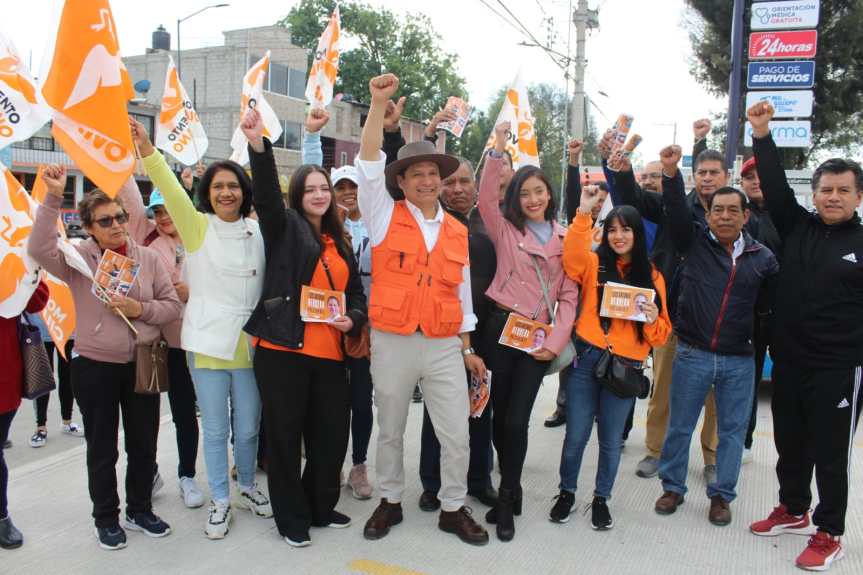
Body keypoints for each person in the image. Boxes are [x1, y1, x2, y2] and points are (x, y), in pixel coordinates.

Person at [357, 73, 489, 546]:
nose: (429, 181)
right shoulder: (381, 212)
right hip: (393, 339)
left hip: (442, 343)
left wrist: (467, 346)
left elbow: (464, 295)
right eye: (418, 174)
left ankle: (453, 508)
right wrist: (377, 105)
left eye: (435, 174)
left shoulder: (456, 230)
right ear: (403, 181)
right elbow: (369, 157)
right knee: (390, 428)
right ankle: (390, 500)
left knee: (456, 432)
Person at [131, 118, 272, 541]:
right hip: (208, 346)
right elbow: (169, 190)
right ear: (207, 194)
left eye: (233, 185)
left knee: (248, 426)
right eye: (217, 187)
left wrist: (258, 143)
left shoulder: (259, 230)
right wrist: (147, 150)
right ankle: (221, 499)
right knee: (215, 428)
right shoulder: (197, 228)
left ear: (244, 191)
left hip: (249, 347)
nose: (226, 192)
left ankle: (246, 485)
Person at [29, 166, 182, 551]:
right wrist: (53, 196)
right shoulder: (79, 260)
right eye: (105, 220)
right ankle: (106, 517)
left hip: (146, 358)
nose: (116, 225)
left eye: (120, 217)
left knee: (144, 442)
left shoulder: (148, 258)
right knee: (102, 447)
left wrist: (138, 308)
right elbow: (39, 249)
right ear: (89, 227)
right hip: (95, 364)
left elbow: (171, 306)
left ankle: (140, 508)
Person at [240, 107, 368, 548]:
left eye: (324, 188)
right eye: (310, 189)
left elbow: (356, 296)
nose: (319, 194)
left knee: (330, 436)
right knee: (285, 437)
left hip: (330, 356)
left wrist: (353, 318)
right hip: (283, 352)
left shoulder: (339, 240)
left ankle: (320, 503)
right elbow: (267, 201)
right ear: (298, 196)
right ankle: (290, 517)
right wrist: (260, 145)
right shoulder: (286, 227)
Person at [747, 101, 863, 571]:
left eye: (842, 190)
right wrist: (761, 133)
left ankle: (829, 530)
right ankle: (794, 508)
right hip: (790, 360)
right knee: (790, 443)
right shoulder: (797, 228)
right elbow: (774, 186)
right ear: (813, 195)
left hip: (839, 368)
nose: (832, 197)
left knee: (831, 455)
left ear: (857, 197)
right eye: (825, 189)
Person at [652, 145, 778, 527]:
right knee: (679, 425)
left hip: (739, 360)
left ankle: (722, 496)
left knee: (732, 432)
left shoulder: (763, 259)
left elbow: (770, 309)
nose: (724, 216)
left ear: (745, 216)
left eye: (732, 210)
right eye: (717, 210)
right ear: (707, 216)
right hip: (692, 353)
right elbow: (674, 213)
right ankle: (672, 487)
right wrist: (672, 173)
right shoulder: (694, 244)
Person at [477, 121, 579, 541]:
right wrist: (498, 149)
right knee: (499, 419)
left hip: (536, 339)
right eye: (525, 193)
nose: (534, 199)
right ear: (515, 199)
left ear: (550, 195)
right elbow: (485, 196)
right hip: (498, 331)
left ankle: (506, 500)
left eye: (540, 191)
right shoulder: (503, 228)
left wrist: (554, 342)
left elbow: (570, 297)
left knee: (518, 422)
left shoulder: (565, 237)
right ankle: (513, 486)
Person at [553, 188, 671, 531]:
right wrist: (583, 213)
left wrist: (650, 318)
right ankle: (566, 493)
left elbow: (661, 335)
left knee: (610, 441)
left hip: (625, 369)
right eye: (613, 229)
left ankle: (601, 498)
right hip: (587, 359)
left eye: (626, 229)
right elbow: (571, 259)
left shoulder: (652, 277)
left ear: (637, 234)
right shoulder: (593, 263)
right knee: (575, 435)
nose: (618, 236)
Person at [614, 131, 724, 483]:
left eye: (713, 173)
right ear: (694, 177)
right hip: (672, 315)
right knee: (662, 386)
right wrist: (624, 169)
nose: (707, 178)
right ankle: (655, 451)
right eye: (702, 172)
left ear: (726, 177)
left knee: (715, 397)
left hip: (716, 322)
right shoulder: (671, 203)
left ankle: (712, 458)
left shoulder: (734, 211)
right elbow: (631, 198)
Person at [301, 107, 376, 501]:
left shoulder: (378, 224)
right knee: (327, 401)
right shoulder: (324, 229)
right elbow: (308, 180)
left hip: (364, 324)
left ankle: (359, 465)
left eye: (353, 188)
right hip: (323, 323)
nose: (348, 194)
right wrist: (313, 137)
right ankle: (324, 463)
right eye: (341, 188)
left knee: (362, 401)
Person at [419, 154, 498, 513]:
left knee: (481, 408)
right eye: (449, 183)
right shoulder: (429, 222)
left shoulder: (492, 224)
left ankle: (479, 480)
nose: (457, 189)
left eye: (464, 181)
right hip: (442, 332)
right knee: (438, 411)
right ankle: (432, 483)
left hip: (485, 331)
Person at [120, 179, 204, 509]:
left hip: (188, 343)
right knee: (146, 417)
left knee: (185, 412)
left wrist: (192, 291)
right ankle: (149, 471)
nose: (164, 216)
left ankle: (187, 474)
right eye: (157, 210)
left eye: (168, 208)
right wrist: (125, 152)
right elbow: (129, 197)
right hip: (153, 343)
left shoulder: (198, 237)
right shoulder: (145, 236)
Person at [737, 157, 781, 464]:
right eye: (748, 177)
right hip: (747, 315)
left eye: (760, 175)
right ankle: (743, 439)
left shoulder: (788, 216)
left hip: (782, 314)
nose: (755, 181)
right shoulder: (738, 215)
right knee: (746, 381)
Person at [1, 282, 48, 549]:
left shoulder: (10, 252)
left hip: (4, 372)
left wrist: (26, 274)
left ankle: (1, 516)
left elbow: (38, 301)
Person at [28, 315, 83, 448]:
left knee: (67, 377)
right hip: (40, 328)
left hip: (66, 328)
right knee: (43, 379)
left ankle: (67, 422)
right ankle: (41, 427)